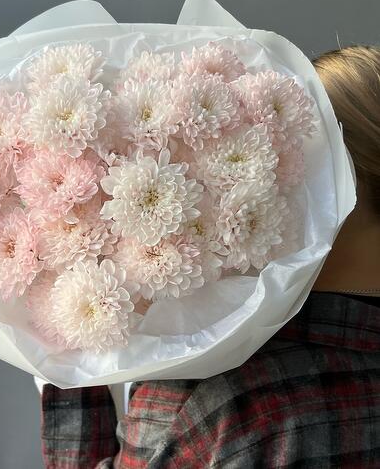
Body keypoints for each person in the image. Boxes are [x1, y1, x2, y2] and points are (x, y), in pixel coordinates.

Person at [39, 45, 380, 468]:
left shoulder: (219, 398)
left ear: (344, 183)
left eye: (301, 155)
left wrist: (68, 368)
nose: (278, 176)